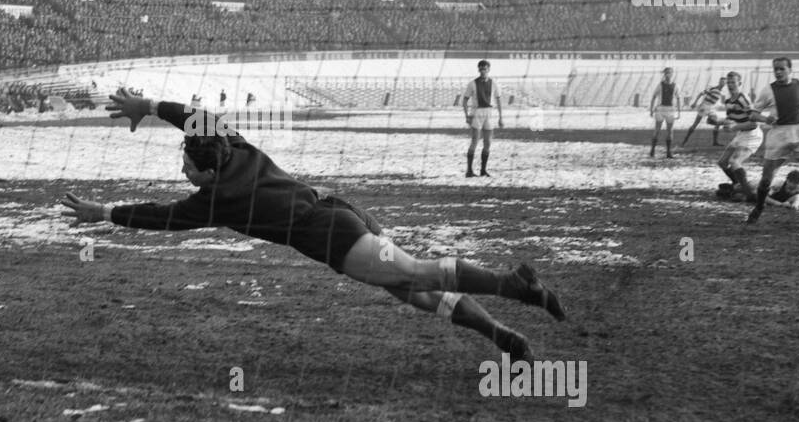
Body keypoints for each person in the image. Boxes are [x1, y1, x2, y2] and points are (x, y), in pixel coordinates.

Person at [61, 89, 565, 359]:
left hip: (331, 236)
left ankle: (514, 285)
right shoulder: (235, 143)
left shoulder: (214, 202)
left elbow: (160, 219)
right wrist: (148, 107)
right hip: (340, 211)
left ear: (207, 172)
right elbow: (193, 116)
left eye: (188, 168)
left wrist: (104, 213)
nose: (183, 170)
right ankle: (503, 337)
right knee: (414, 291)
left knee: (418, 274)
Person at [745, 57, 799, 229]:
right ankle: (759, 207)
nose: (778, 72)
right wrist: (765, 118)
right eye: (775, 69)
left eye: (781, 69)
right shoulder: (768, 90)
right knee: (766, 180)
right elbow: (753, 114)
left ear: (790, 70)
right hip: (779, 136)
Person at [711, 71, 761, 200]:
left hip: (752, 135)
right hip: (741, 134)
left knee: (735, 161)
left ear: (739, 83)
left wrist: (734, 127)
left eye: (733, 82)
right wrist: (716, 121)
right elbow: (731, 119)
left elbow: (753, 124)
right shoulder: (728, 101)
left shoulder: (743, 99)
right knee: (722, 162)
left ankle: (750, 195)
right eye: (728, 82)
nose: (730, 85)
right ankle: (739, 185)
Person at [460, 59, 503, 178]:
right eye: (481, 69)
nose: (483, 71)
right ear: (478, 69)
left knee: (488, 142)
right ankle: (469, 170)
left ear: (489, 69)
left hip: (489, 113)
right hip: (477, 113)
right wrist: (467, 115)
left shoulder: (494, 83)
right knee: (474, 141)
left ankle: (483, 170)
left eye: (485, 69)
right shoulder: (472, 83)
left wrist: (500, 117)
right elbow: (464, 100)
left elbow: (499, 100)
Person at [681, 76, 727, 147]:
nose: (722, 83)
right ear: (719, 82)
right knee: (695, 124)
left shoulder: (721, 92)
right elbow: (701, 94)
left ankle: (715, 142)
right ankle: (684, 141)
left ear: (725, 84)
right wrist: (695, 103)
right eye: (721, 81)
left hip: (711, 108)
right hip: (704, 106)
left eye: (724, 82)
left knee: (717, 123)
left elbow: (717, 102)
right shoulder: (712, 88)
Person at [648, 68, 681, 159]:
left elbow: (678, 98)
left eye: (669, 73)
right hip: (660, 109)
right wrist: (651, 110)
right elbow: (654, 97)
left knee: (670, 131)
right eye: (665, 73)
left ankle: (668, 152)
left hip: (670, 110)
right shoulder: (660, 85)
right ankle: (652, 150)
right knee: (657, 130)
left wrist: (679, 112)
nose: (667, 75)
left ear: (672, 74)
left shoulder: (676, 86)